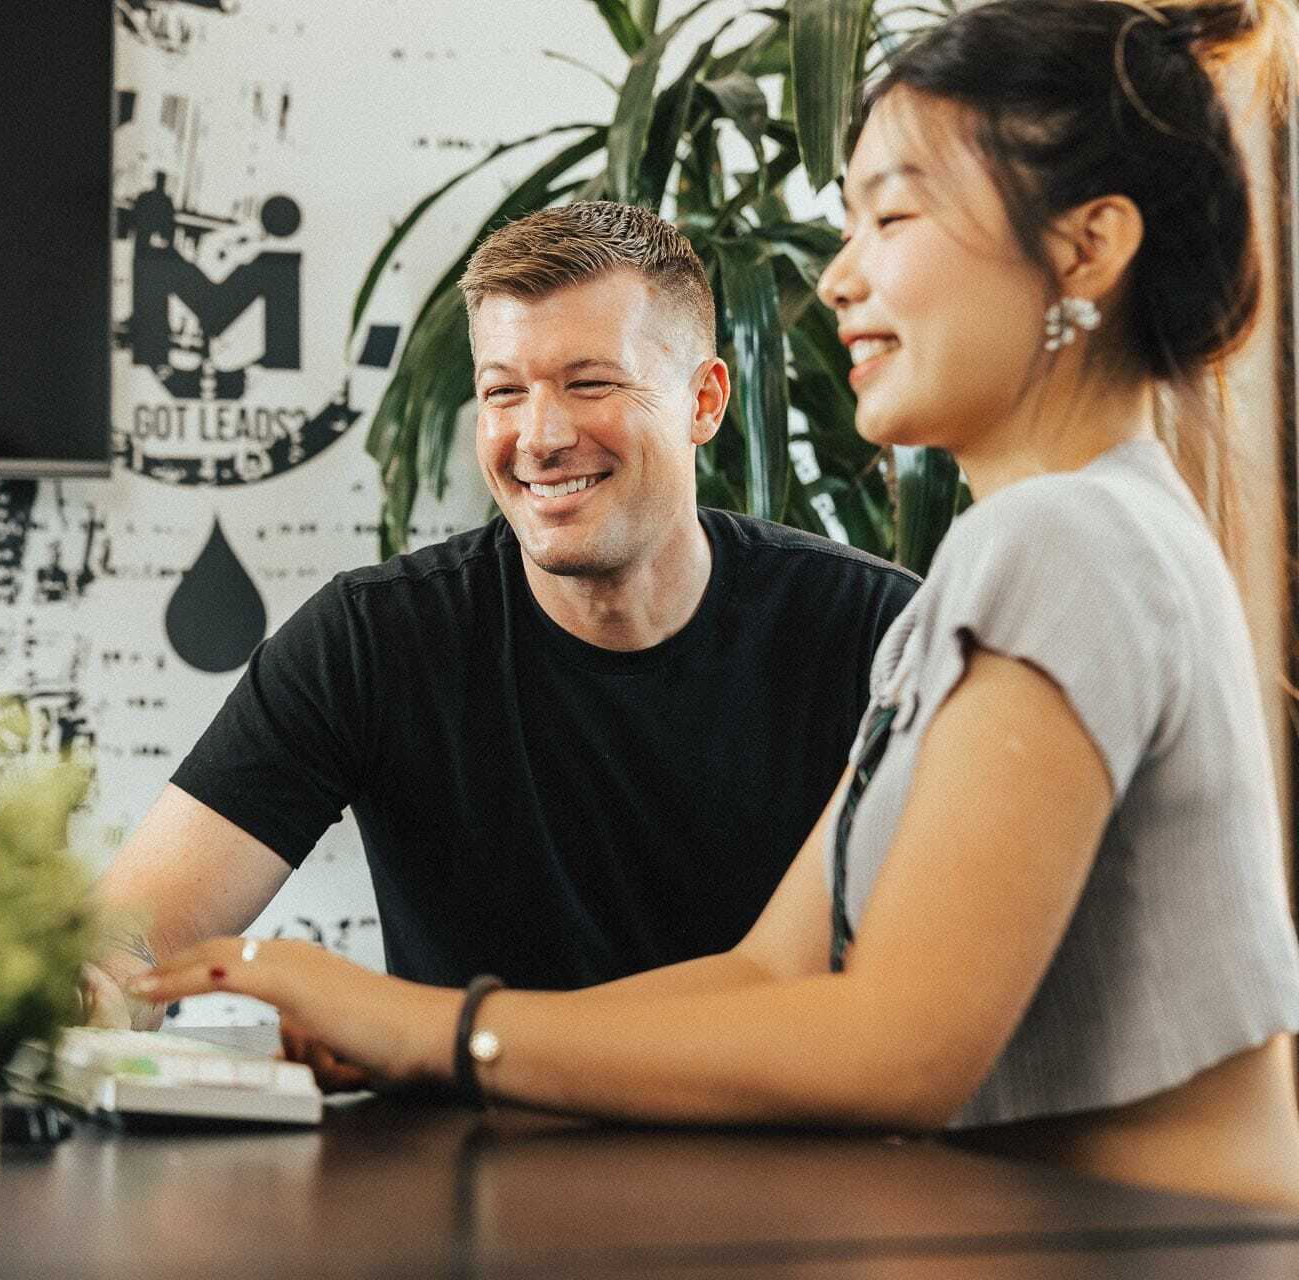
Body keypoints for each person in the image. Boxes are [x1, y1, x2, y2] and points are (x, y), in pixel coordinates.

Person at [130, 0, 1299, 1209]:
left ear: (1085, 248)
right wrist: (411, 1035)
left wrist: (434, 1029)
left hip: (1154, 1245)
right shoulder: (1019, 556)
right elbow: (762, 973)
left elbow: (895, 1048)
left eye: (893, 215)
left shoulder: (1061, 536)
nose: (840, 277)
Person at [86, 203, 919, 1055]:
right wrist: (85, 991)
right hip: (462, 1171)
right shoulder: (372, 640)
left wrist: (416, 1034)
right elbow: (135, 939)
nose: (541, 436)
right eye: (503, 391)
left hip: (788, 1165)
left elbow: (894, 1006)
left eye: (590, 383)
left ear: (703, 401)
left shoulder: (873, 634)